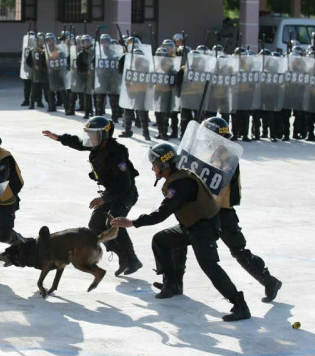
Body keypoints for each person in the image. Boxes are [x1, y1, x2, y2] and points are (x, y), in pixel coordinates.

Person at [110, 142, 251, 322]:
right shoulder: (177, 176)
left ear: (163, 165)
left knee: (209, 265)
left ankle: (240, 305)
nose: (152, 168)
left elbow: (162, 213)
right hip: (191, 225)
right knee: (162, 240)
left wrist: (132, 222)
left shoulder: (179, 184)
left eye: (154, 164)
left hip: (203, 228)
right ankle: (172, 284)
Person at [42, 116, 143, 276]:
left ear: (104, 135)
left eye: (94, 134)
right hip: (110, 193)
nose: (90, 138)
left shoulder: (116, 153)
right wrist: (59, 138)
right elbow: (78, 143)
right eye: (89, 134)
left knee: (115, 221)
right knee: (95, 224)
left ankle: (132, 259)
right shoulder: (98, 147)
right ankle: (120, 253)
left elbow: (124, 185)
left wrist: (104, 199)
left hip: (125, 194)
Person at [202, 117, 282, 303]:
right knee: (178, 240)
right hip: (205, 210)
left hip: (222, 213)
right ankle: (172, 281)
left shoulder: (229, 157)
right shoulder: (210, 155)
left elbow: (218, 183)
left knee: (239, 251)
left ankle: (269, 281)